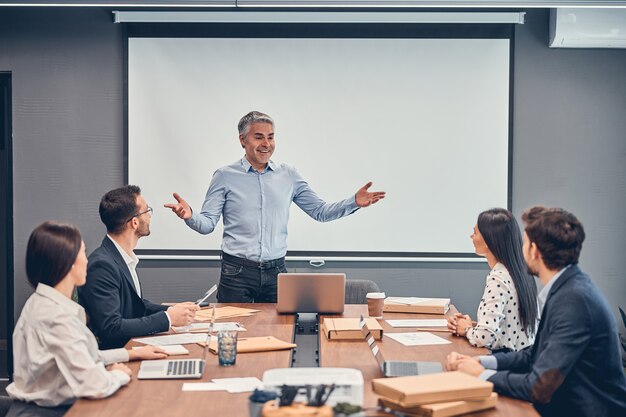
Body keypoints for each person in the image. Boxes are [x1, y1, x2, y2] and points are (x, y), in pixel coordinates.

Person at [165, 111, 386, 303]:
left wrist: (353, 202)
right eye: (258, 137)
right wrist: (190, 215)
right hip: (236, 273)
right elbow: (207, 224)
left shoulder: (288, 175)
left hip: (276, 272)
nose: (266, 144)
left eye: (270, 137)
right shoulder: (224, 176)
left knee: (280, 334)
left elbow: (320, 212)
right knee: (234, 335)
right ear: (243, 140)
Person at [445, 206, 626, 417]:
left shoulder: (574, 301)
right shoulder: (567, 288)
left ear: (534, 251)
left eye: (524, 243)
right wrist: (480, 361)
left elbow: (538, 386)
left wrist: (482, 375)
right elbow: (535, 355)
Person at [6, 221, 168, 407]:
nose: (87, 259)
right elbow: (94, 384)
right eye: (82, 252)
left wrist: (129, 354)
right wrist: (119, 374)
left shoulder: (42, 303)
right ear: (68, 263)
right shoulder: (55, 317)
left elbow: (81, 358)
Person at [78, 185, 199, 349]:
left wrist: (174, 310)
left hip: (133, 348)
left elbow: (136, 305)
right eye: (147, 210)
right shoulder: (102, 265)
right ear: (134, 222)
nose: (149, 216)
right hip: (117, 359)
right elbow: (111, 328)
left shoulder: (120, 256)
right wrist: (168, 318)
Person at [447, 208, 538, 352]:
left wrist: (466, 330)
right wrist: (470, 325)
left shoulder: (498, 278)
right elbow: (502, 326)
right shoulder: (522, 273)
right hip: (522, 360)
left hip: (504, 362)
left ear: (488, 241)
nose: (471, 236)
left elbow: (484, 337)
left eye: (475, 232)